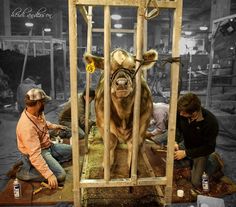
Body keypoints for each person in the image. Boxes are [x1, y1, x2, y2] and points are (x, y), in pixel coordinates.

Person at [16, 88, 72, 189]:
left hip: (48, 146)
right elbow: (35, 155)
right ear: (38, 103)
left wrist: (54, 126)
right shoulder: (26, 126)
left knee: (73, 151)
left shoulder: (37, 112)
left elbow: (42, 123)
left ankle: (48, 164)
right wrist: (49, 175)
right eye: (44, 102)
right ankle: (26, 172)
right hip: (38, 153)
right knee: (60, 175)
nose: (45, 104)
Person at [174, 92, 224, 189]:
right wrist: (175, 142)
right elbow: (177, 128)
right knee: (171, 162)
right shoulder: (181, 112)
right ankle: (191, 162)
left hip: (201, 149)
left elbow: (209, 147)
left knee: (196, 182)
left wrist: (185, 153)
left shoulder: (210, 122)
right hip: (187, 143)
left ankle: (214, 161)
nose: (180, 114)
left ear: (194, 113)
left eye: (183, 113)